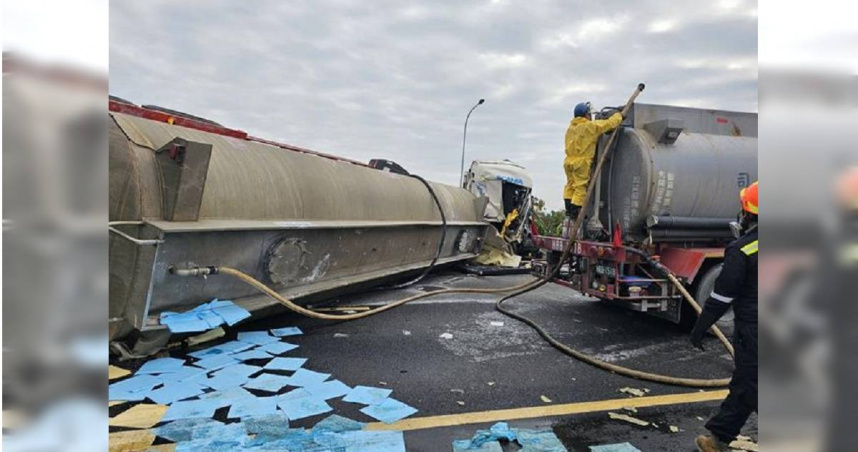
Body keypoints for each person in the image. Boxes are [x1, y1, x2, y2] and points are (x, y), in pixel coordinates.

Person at [691, 181, 759, 452]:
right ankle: (718, 438)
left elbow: (721, 297)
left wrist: (700, 328)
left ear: (748, 213)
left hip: (756, 331)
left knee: (750, 385)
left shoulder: (742, 249)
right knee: (749, 383)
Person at [563, 102, 623, 219]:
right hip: (581, 163)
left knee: (570, 186)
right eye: (589, 114)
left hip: (568, 162)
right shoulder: (589, 126)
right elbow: (609, 124)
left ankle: (569, 209)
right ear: (586, 115)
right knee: (580, 188)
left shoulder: (570, 129)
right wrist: (619, 115)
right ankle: (576, 213)